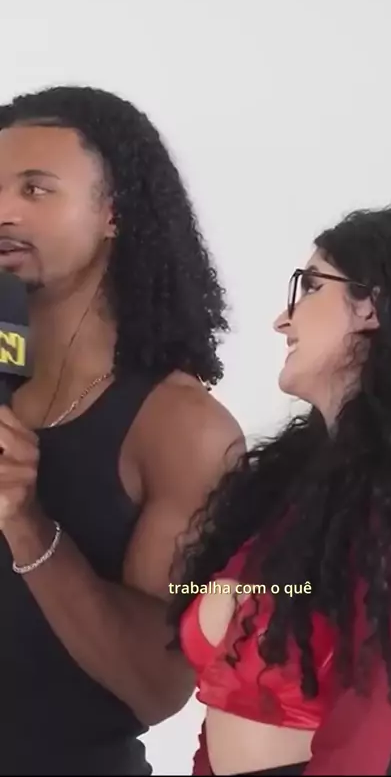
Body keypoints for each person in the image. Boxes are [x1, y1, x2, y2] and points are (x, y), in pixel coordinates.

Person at [167, 206, 391, 776]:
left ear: (371, 307)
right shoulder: (287, 487)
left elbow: (371, 712)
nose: (282, 320)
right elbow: (225, 691)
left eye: (310, 286)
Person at [0, 85, 243, 776]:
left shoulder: (182, 429)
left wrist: (25, 523)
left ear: (114, 213)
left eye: (35, 189)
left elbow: (158, 685)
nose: (3, 210)